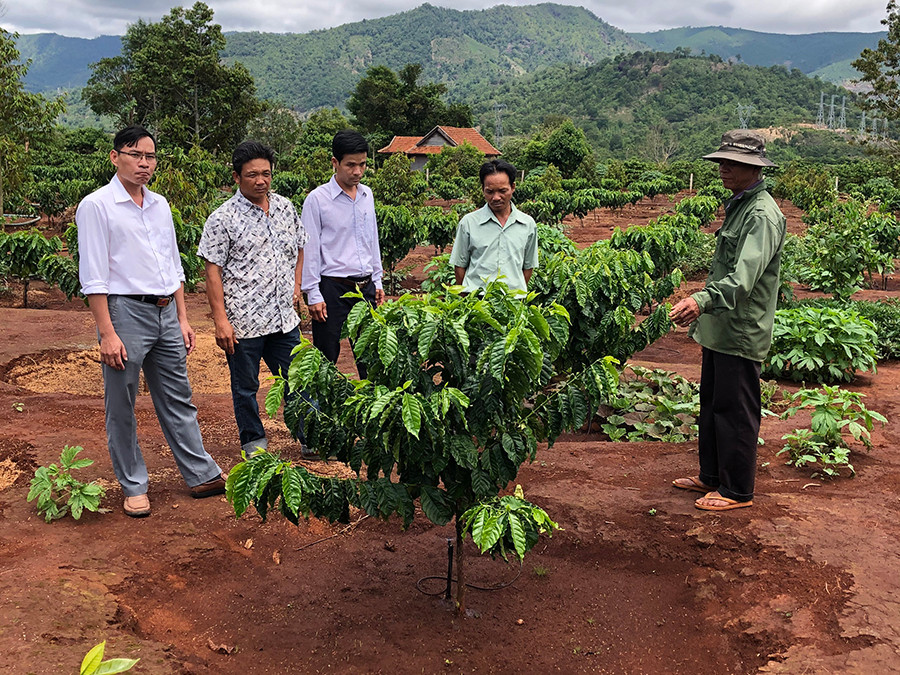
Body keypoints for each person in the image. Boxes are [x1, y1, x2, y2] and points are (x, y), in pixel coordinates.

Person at [76, 125, 226, 518]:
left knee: (178, 396)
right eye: (135, 154)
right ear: (114, 157)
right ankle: (134, 485)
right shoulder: (96, 206)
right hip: (125, 312)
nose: (144, 163)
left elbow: (172, 264)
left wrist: (182, 316)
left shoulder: (159, 205)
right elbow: (93, 275)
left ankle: (201, 473)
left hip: (165, 311)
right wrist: (107, 333)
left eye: (151, 156)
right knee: (122, 403)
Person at [669, 129, 786, 512]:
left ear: (754, 168)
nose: (723, 168)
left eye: (732, 163)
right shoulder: (739, 204)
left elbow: (742, 280)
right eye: (722, 161)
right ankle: (713, 476)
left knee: (736, 411)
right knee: (713, 405)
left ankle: (737, 491)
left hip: (740, 330)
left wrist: (701, 301)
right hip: (721, 329)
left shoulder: (762, 215)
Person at [198, 141, 312, 458]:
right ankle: (253, 442)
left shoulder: (286, 208)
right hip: (243, 322)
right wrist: (221, 321)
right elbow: (212, 272)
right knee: (246, 387)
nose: (260, 180)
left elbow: (301, 247)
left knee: (298, 380)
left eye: (266, 174)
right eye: (252, 175)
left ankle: (310, 436)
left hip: (283, 319)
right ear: (236, 177)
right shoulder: (222, 219)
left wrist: (296, 285)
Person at [301, 130, 385, 379]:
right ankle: (323, 413)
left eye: (362, 164)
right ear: (335, 163)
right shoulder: (317, 200)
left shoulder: (367, 195)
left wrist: (377, 280)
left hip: (365, 287)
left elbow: (372, 240)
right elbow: (310, 249)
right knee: (326, 357)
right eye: (350, 165)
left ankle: (368, 410)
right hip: (332, 289)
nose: (357, 171)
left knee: (369, 356)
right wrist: (313, 293)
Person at [449, 159, 538, 294]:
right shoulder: (468, 223)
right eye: (490, 192)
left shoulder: (527, 224)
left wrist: (514, 293)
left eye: (502, 191)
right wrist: (466, 297)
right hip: (477, 299)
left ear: (513, 187)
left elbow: (528, 267)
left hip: (512, 300)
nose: (496, 197)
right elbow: (460, 266)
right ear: (483, 189)